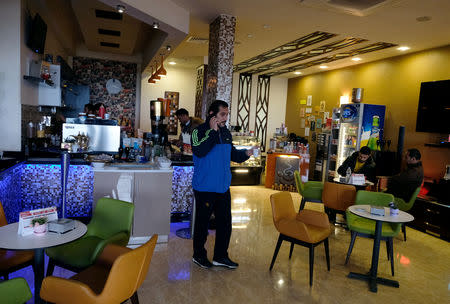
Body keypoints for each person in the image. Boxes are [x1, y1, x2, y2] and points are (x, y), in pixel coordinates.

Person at [191, 100, 255, 269]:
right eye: (222, 114)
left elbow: (232, 154)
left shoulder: (226, 132)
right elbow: (200, 151)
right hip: (204, 187)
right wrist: (212, 131)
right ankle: (198, 255)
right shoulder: (198, 131)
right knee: (202, 224)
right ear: (212, 114)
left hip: (222, 187)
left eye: (227, 114)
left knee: (225, 223)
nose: (226, 118)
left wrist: (246, 153)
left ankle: (221, 256)